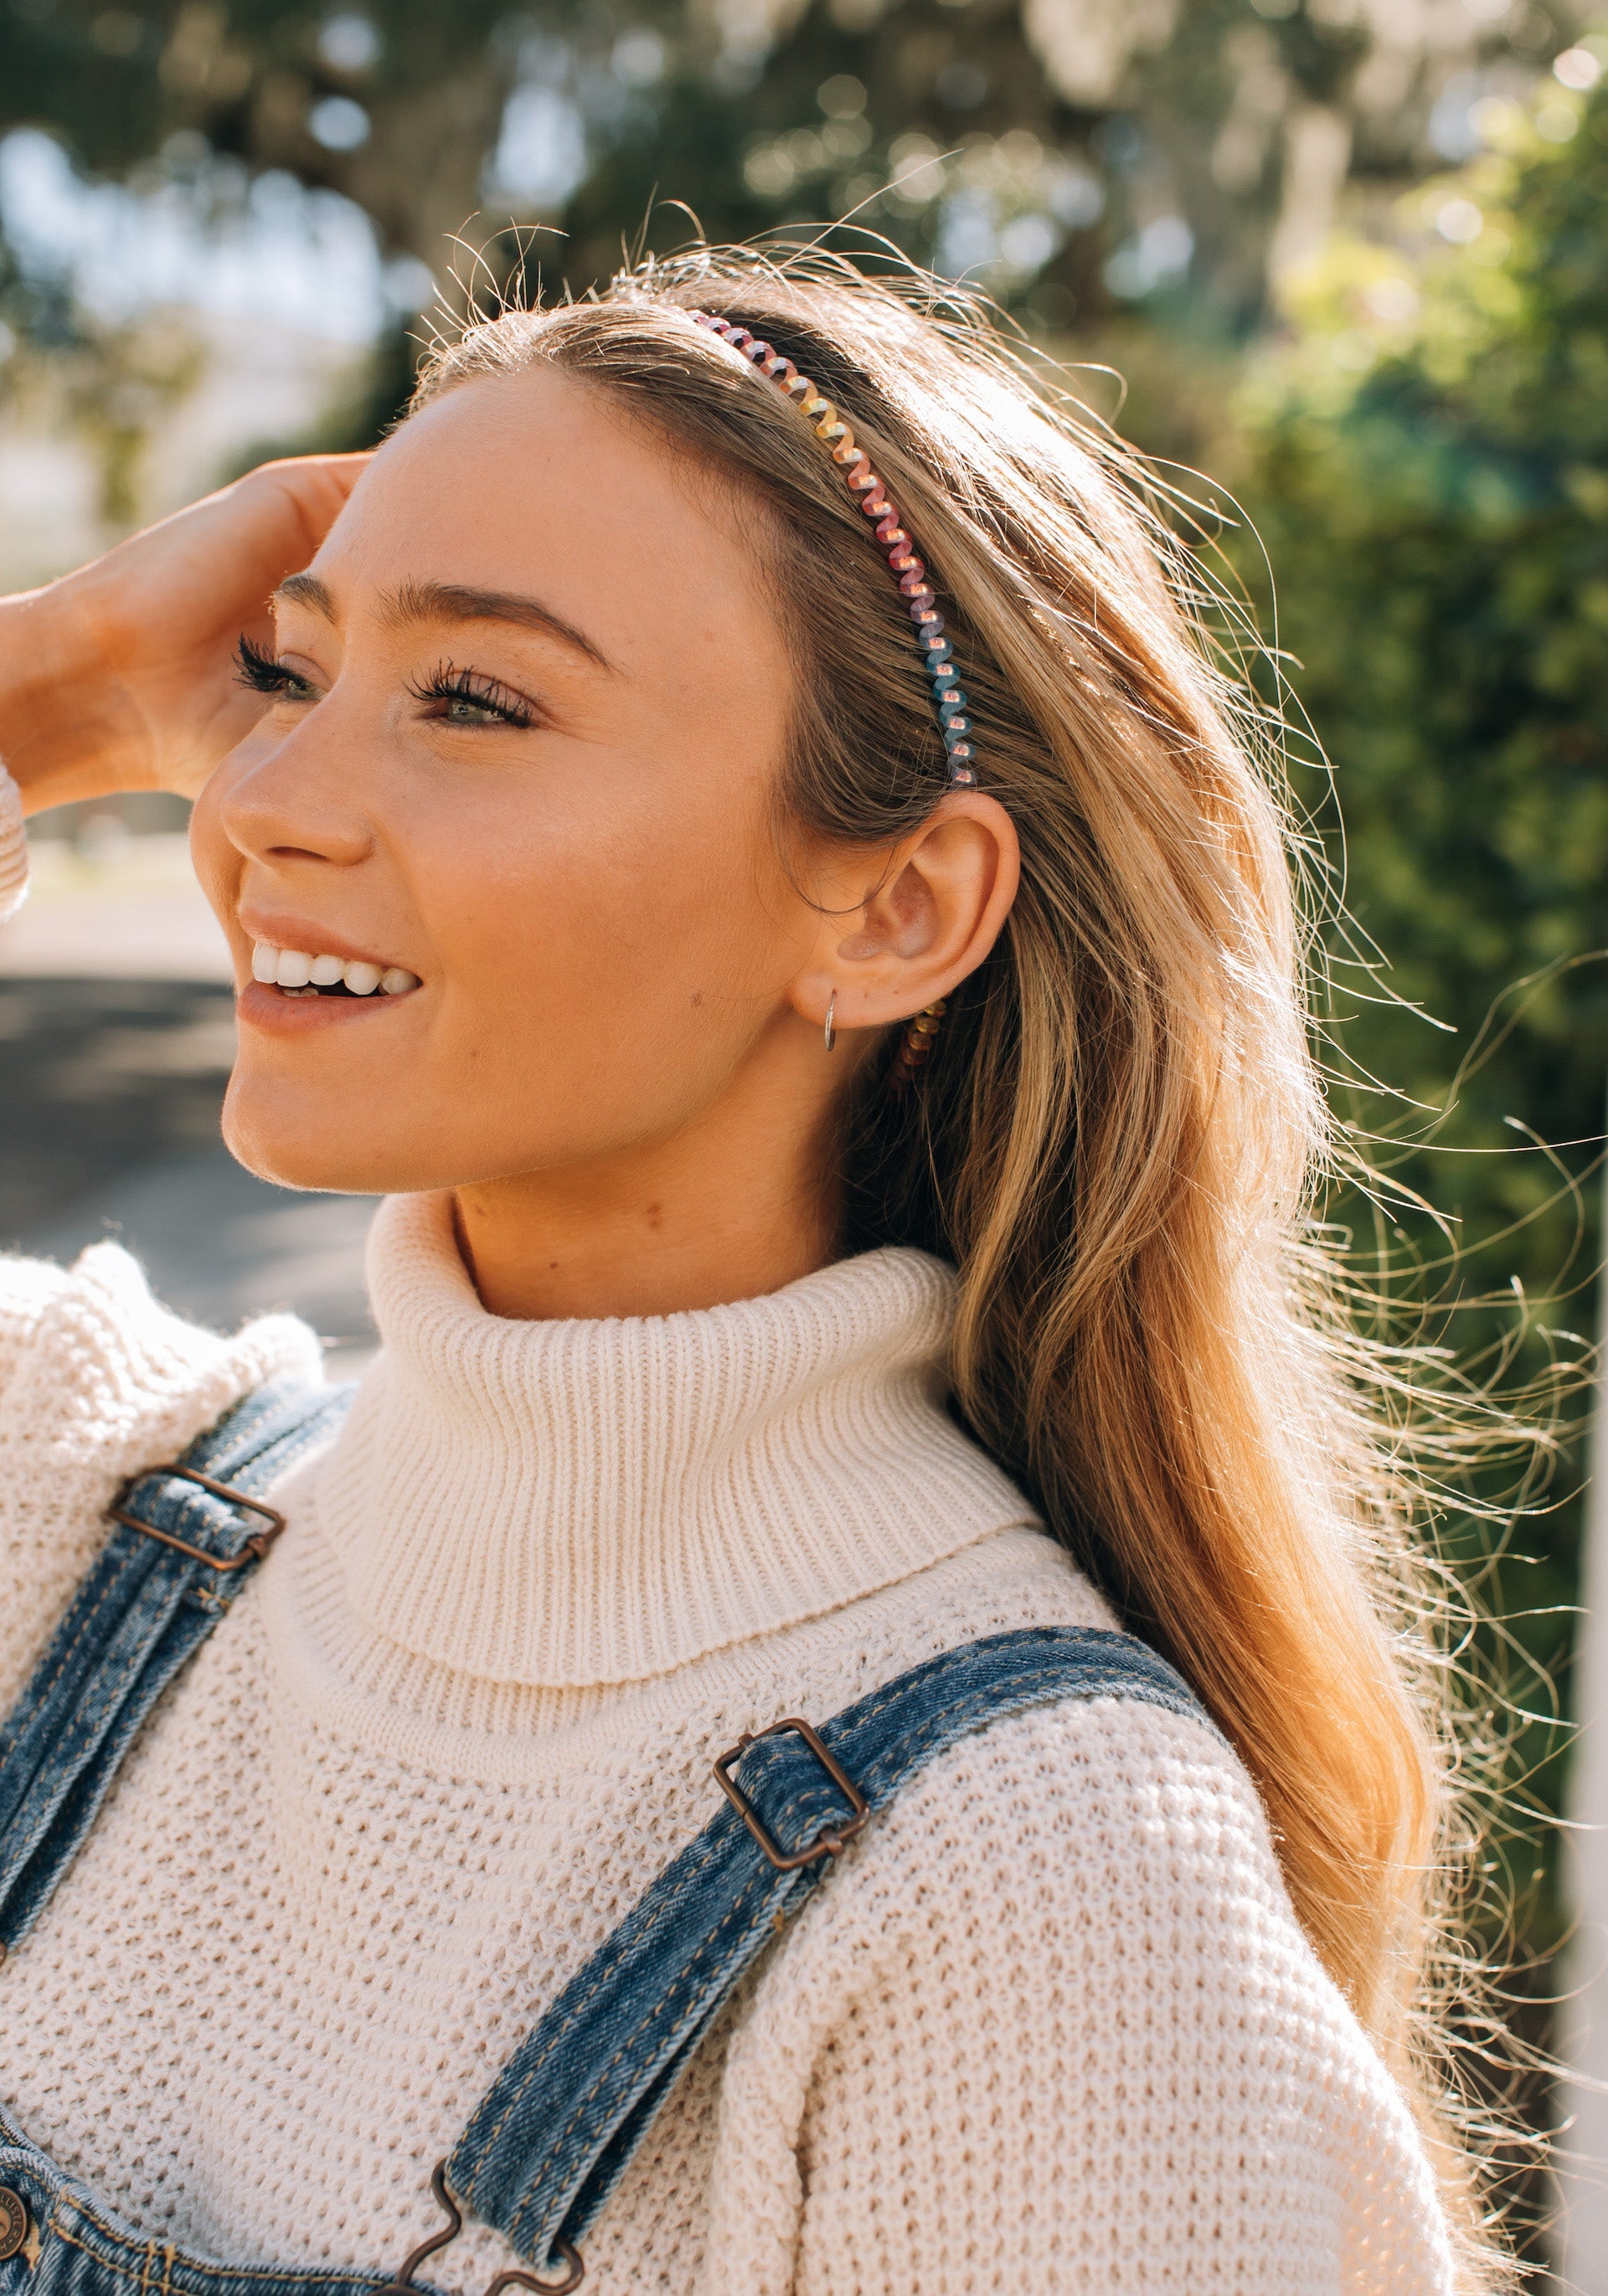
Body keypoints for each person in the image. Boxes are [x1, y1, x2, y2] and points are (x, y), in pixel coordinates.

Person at [0, 250, 1493, 2293]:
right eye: (288, 671)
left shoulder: (1047, 1909)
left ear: (896, 906)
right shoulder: (72, 1508)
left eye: (477, 698)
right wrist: (54, 687)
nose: (258, 800)